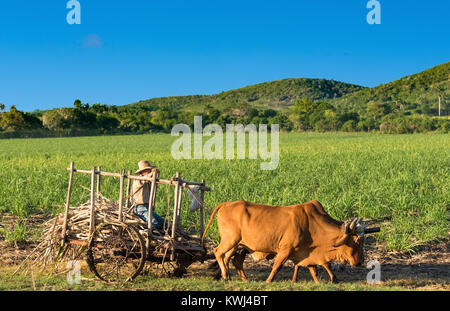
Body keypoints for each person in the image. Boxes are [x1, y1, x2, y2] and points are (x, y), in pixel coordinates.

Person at [132, 160, 166, 231]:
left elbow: (154, 177)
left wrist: (156, 173)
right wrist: (151, 174)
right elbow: (144, 179)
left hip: (147, 208)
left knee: (164, 223)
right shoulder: (138, 180)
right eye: (147, 170)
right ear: (142, 172)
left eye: (149, 170)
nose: (149, 171)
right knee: (153, 223)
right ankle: (150, 236)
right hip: (139, 208)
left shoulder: (149, 182)